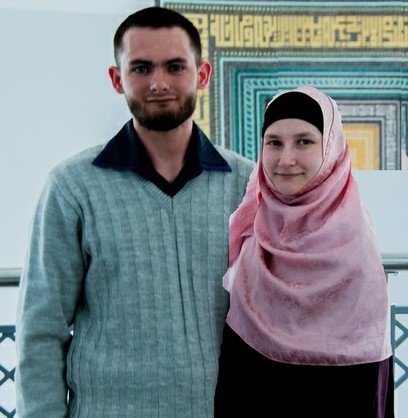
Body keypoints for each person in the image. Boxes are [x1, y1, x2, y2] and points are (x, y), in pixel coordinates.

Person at [15, 7, 253, 417]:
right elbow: (41, 331)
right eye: (141, 68)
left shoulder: (247, 185)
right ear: (116, 78)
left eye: (175, 67)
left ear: (202, 75)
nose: (158, 83)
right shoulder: (72, 187)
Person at [214, 85, 394, 417]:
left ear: (331, 149)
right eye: (274, 143)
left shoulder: (355, 252)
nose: (286, 160)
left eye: (304, 142)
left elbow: (370, 385)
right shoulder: (250, 237)